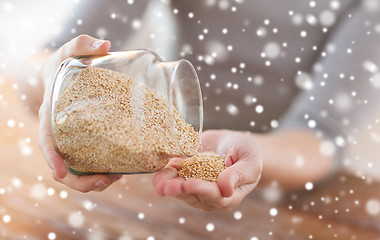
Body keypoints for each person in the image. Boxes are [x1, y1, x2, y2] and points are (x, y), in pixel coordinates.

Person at [21, 0, 380, 212]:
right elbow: (37, 65)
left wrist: (250, 155)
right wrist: (51, 77)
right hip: (156, 159)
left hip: (277, 186)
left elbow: (318, 138)